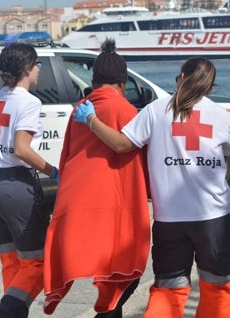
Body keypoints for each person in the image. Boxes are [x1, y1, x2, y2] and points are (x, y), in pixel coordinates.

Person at [74, 57, 230, 317]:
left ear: (180, 77)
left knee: (168, 291)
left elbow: (121, 144)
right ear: (209, 87)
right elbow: (224, 158)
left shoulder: (155, 109)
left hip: (170, 219)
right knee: (218, 287)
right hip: (213, 218)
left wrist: (91, 119)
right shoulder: (219, 114)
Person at [42, 38, 150, 317]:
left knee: (106, 271)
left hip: (77, 198)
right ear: (123, 82)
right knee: (123, 271)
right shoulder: (124, 109)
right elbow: (131, 150)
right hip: (113, 203)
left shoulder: (80, 108)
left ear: (94, 78)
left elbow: (67, 155)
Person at [0, 42, 59, 318]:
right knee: (36, 262)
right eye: (36, 64)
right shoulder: (29, 102)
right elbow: (22, 149)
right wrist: (54, 172)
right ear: (27, 69)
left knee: (11, 261)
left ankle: (9, 313)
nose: (39, 69)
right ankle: (4, 313)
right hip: (15, 187)